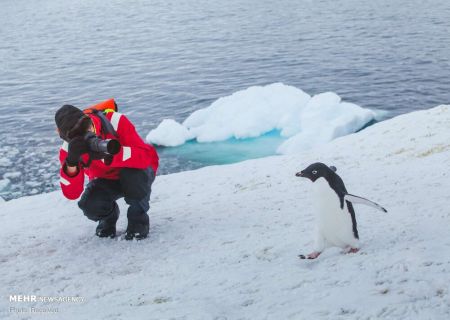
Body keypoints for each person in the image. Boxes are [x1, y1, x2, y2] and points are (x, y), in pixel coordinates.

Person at [54, 101, 159, 240]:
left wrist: (112, 156)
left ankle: (138, 219)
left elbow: (145, 158)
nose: (88, 133)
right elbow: (72, 193)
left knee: (134, 178)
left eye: (87, 126)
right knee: (90, 205)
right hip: (106, 179)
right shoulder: (69, 150)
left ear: (89, 118)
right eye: (77, 134)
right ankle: (108, 218)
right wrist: (71, 162)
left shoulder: (115, 121)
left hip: (137, 172)